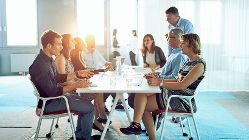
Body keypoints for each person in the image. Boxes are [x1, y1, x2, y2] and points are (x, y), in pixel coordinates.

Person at [120, 33, 206, 140]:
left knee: (143, 107)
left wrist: (160, 83)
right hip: (174, 93)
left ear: (191, 45)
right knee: (141, 93)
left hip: (181, 100)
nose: (180, 46)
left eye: (183, 43)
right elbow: (177, 79)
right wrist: (158, 80)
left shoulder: (199, 65)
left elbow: (182, 85)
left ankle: (139, 127)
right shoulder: (189, 61)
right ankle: (136, 125)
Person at [29, 30, 98, 140]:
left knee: (86, 103)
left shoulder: (47, 59)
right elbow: (52, 92)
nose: (62, 47)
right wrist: (75, 85)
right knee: (89, 107)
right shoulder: (40, 65)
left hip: (54, 98)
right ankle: (85, 138)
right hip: (50, 103)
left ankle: (80, 136)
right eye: (59, 44)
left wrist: (77, 74)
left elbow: (58, 78)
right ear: (49, 45)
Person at [128, 28, 186, 112]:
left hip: (167, 90)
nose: (167, 39)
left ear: (178, 38)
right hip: (160, 80)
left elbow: (175, 77)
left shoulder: (179, 56)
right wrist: (156, 75)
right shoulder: (173, 53)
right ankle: (140, 123)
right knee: (135, 96)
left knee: (136, 99)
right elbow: (166, 73)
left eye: (169, 37)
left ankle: (142, 122)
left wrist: (158, 78)